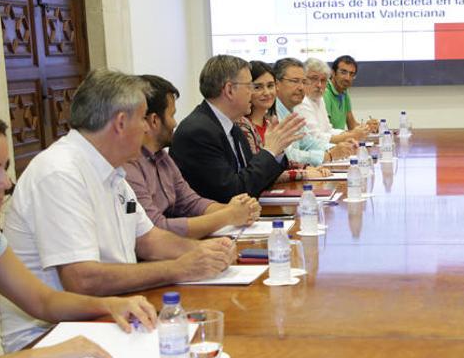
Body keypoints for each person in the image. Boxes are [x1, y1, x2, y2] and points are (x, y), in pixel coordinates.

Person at [0, 70, 237, 352]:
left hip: (112, 314)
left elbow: (149, 239)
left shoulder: (113, 170)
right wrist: (179, 268)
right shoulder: (60, 173)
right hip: (52, 338)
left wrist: (204, 253)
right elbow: (81, 279)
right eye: (142, 119)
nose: (147, 129)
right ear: (121, 123)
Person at [0, 101, 157, 358]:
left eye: (5, 169)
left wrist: (107, 304)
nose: (6, 183)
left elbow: (42, 300)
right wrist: (40, 357)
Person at [123, 74, 261, 239]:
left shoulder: (162, 157)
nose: (175, 123)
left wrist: (239, 209)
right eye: (172, 115)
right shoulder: (129, 165)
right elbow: (156, 228)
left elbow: (191, 203)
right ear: (154, 121)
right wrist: (227, 216)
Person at [170, 55, 305, 201]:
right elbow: (233, 192)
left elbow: (255, 179)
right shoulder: (198, 132)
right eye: (249, 86)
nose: (252, 92)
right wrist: (270, 151)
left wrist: (277, 151)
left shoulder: (231, 126)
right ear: (229, 90)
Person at [238, 61, 330, 182]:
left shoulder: (269, 122)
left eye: (270, 86)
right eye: (258, 87)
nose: (267, 92)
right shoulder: (242, 126)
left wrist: (306, 168)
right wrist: (303, 174)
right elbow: (259, 173)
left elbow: (283, 161)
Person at [274, 57, 356, 166]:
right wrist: (329, 155)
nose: (301, 87)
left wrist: (338, 148)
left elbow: (308, 142)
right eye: (295, 81)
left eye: (304, 82)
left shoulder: (291, 109)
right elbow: (287, 156)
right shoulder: (273, 113)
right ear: (277, 83)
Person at [296, 58, 369, 144]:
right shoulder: (302, 101)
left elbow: (328, 129)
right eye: (314, 79)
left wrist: (351, 133)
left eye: (323, 80)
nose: (319, 85)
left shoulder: (319, 98)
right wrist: (351, 135)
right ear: (303, 79)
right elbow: (316, 138)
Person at [324, 55, 378, 132]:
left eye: (351, 74)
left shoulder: (344, 92)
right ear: (333, 73)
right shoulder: (325, 93)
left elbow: (352, 125)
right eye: (343, 72)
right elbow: (326, 132)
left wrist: (368, 127)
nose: (347, 78)